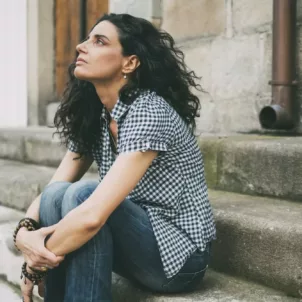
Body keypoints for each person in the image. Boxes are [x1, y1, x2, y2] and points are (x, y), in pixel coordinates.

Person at [14, 13, 216, 302]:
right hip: (134, 239)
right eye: (87, 39)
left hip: (178, 255)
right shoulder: (97, 115)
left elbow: (92, 216)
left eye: (99, 41)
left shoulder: (148, 111)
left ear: (130, 62)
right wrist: (24, 232)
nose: (82, 47)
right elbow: (54, 188)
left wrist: (37, 260)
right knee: (58, 195)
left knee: (84, 196)